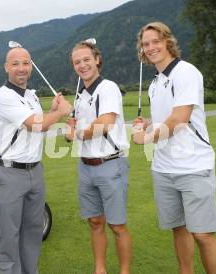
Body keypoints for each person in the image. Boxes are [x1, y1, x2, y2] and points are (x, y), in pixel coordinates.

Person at [132, 22, 216, 274]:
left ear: (168, 42)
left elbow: (179, 119)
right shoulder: (155, 82)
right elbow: (165, 117)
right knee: (179, 228)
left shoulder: (186, 72)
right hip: (164, 168)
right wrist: (148, 123)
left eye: (156, 41)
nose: (151, 47)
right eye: (146, 43)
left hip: (193, 166)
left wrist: (146, 137)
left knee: (203, 234)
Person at [0, 46, 72, 274]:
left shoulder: (31, 95)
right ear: (6, 67)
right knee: (9, 233)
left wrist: (51, 110)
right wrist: (61, 112)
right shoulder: (3, 96)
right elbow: (36, 124)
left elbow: (38, 127)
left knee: (33, 230)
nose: (21, 68)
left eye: (25, 63)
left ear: (31, 66)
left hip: (34, 171)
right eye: (15, 64)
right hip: (9, 174)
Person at [65, 40, 131, 274]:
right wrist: (70, 126)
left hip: (110, 164)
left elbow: (104, 124)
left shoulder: (108, 87)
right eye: (77, 62)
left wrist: (77, 133)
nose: (82, 65)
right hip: (86, 167)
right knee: (94, 222)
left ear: (97, 60)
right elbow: (75, 128)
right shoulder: (80, 94)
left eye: (86, 60)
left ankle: (124, 271)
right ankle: (100, 269)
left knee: (117, 225)